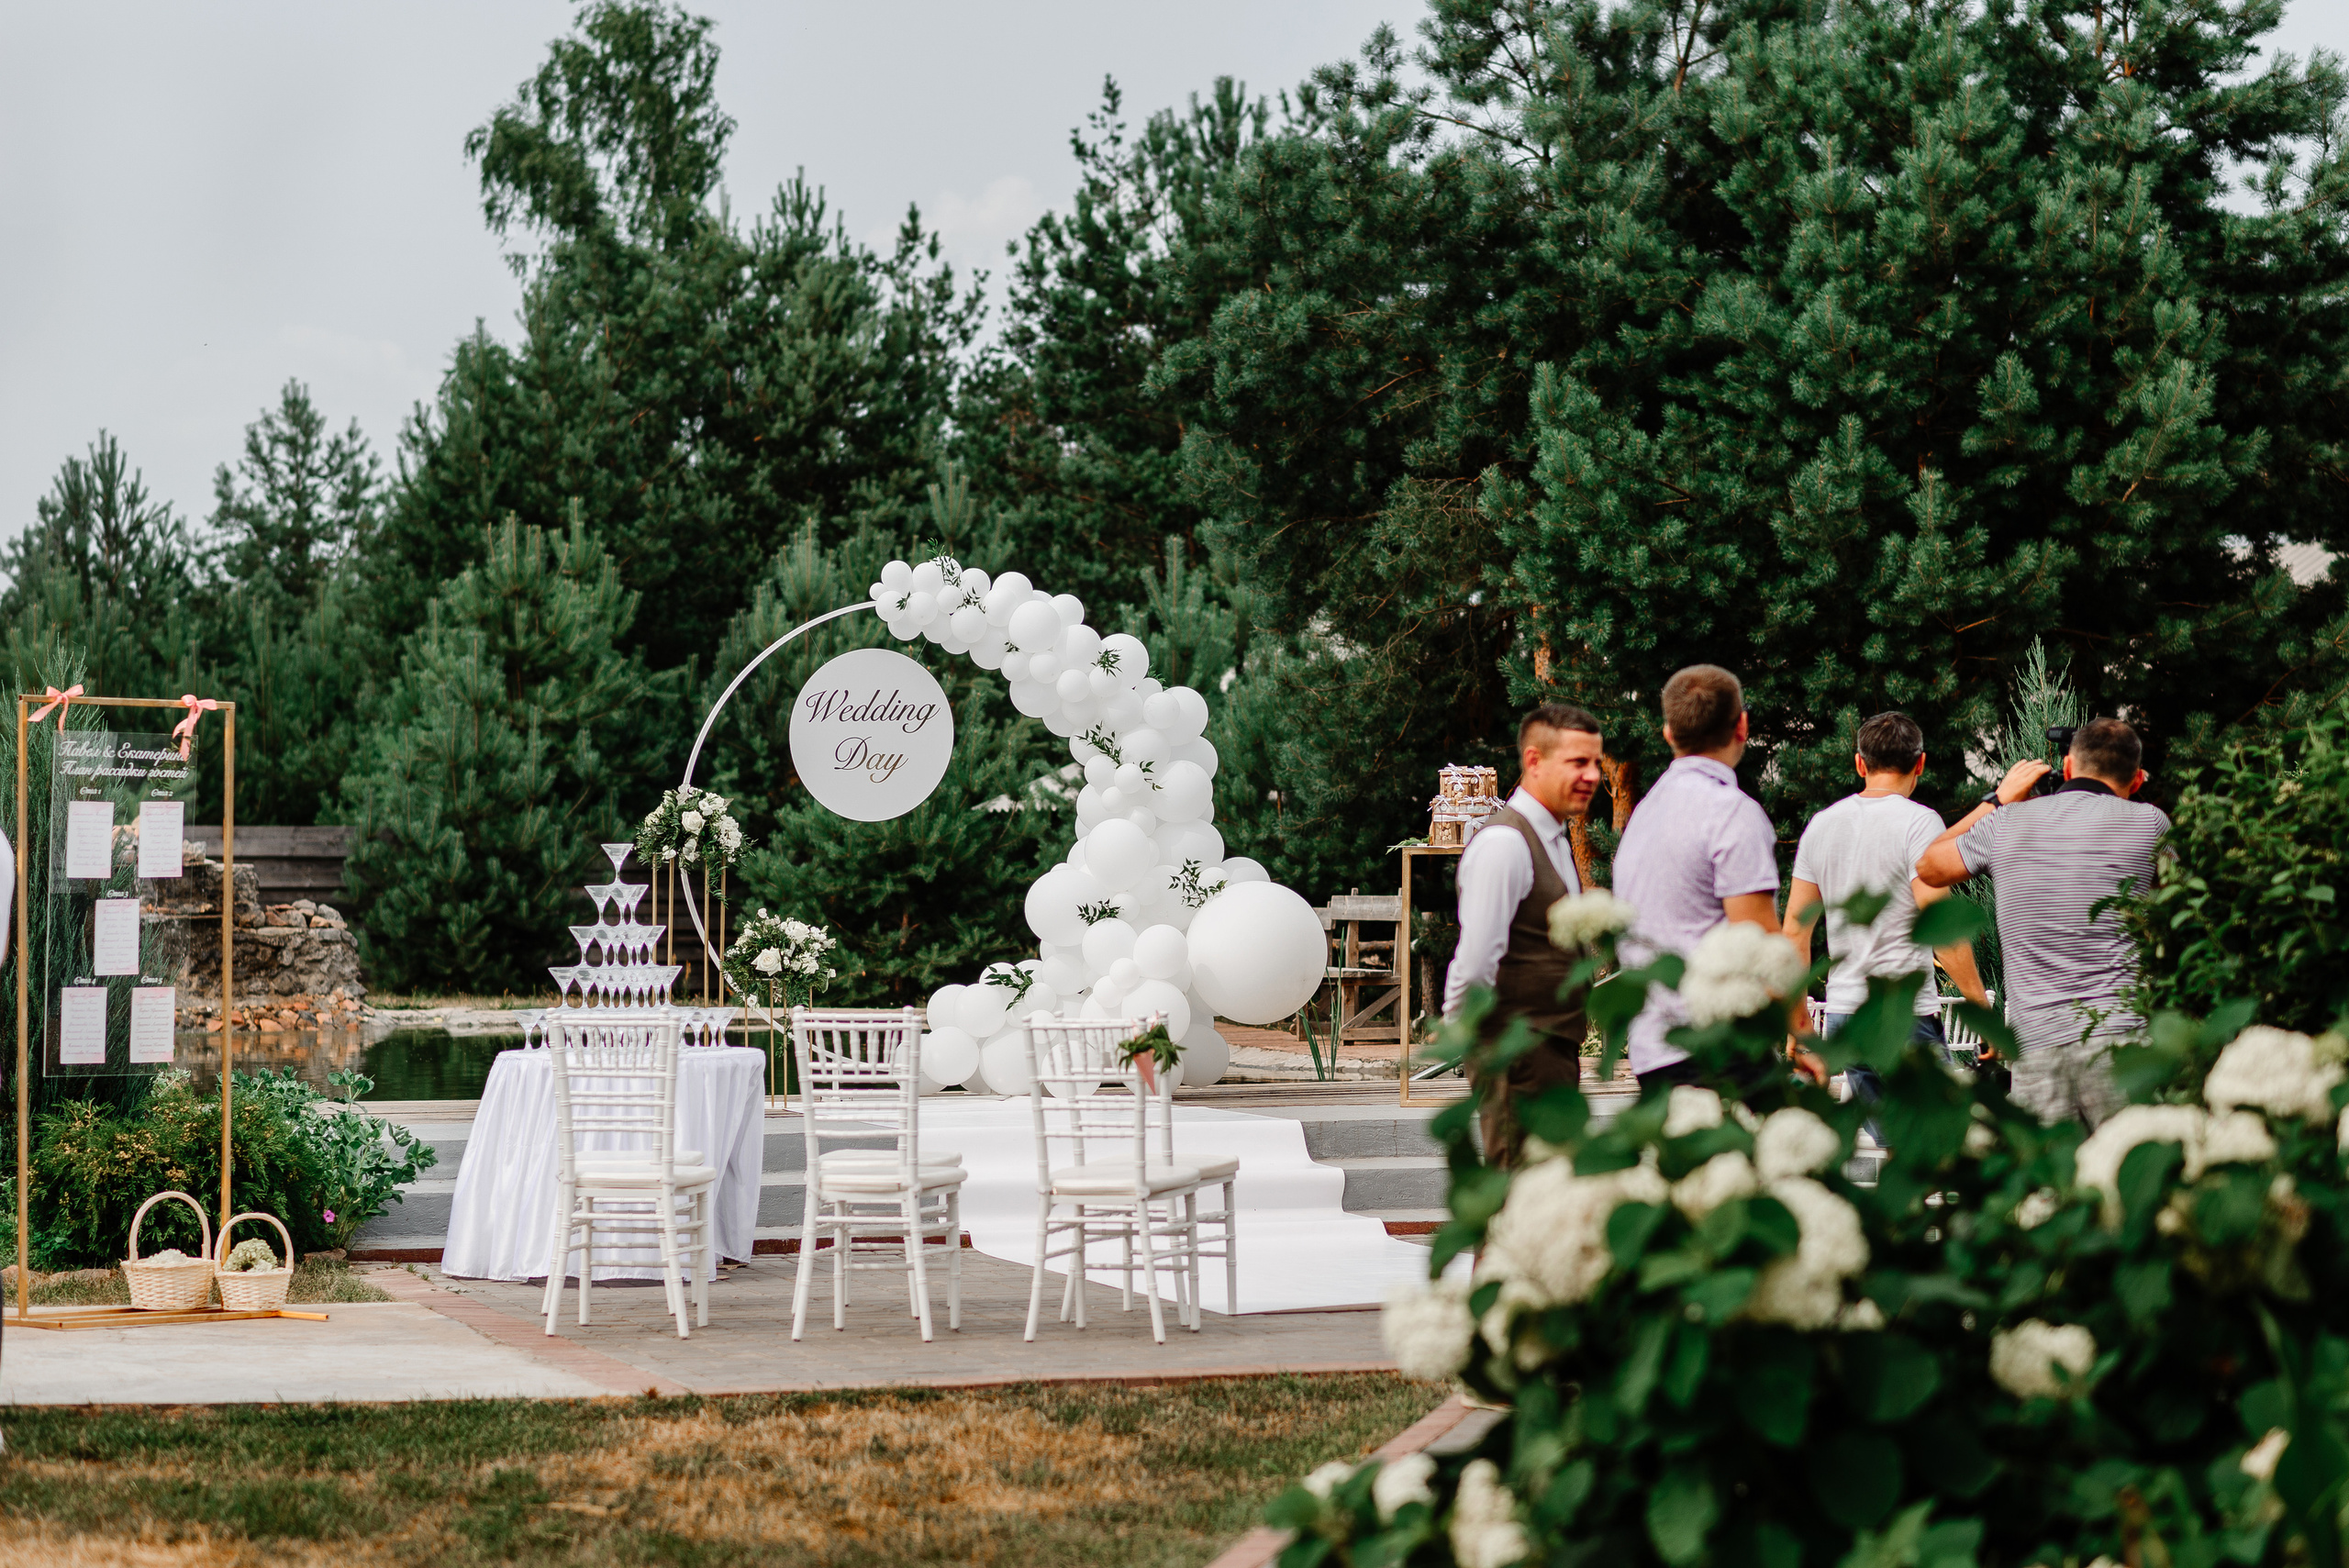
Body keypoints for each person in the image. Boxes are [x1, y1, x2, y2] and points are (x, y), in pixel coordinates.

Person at [1915, 717, 2169, 1127]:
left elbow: (1927, 867)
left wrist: (1997, 800)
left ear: (2067, 768)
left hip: (2036, 1044)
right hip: (2120, 1041)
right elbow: (2183, 904)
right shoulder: (2150, 823)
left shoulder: (2004, 823)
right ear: (2137, 780)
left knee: (2049, 1185)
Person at [1783, 712, 1990, 1102]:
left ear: (1859, 763)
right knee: (1946, 1145)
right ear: (1921, 763)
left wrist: (1800, 1026)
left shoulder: (1821, 825)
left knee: (1898, 1148)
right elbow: (1941, 927)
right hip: (1900, 1018)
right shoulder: (1919, 822)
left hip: (1845, 1017)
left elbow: (1794, 933)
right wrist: (1982, 1010)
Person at [1442, 703, 1607, 1166]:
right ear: (1534, 761)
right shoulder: (1504, 845)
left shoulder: (1553, 838)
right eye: (1578, 762)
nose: (1592, 775)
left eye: (1596, 762)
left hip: (1551, 1050)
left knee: (1547, 1198)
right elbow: (1475, 961)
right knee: (1518, 1193)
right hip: (1518, 1054)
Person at [1612, 665, 1782, 1093]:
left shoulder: (1642, 816)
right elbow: (1760, 944)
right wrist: (1802, 1031)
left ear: (1669, 732)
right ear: (1741, 725)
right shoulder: (1732, 813)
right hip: (1721, 1046)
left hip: (1653, 1046)